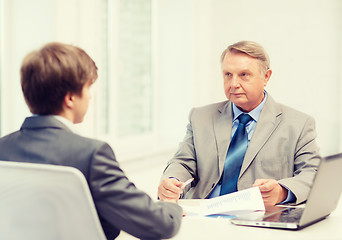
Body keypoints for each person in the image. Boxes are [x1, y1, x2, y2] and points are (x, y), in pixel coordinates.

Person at [0, 42, 182, 240]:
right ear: (70, 98)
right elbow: (160, 225)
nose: (90, 96)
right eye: (88, 88)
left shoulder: (3, 148)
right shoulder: (92, 154)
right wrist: (171, 205)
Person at [158, 40, 320, 207]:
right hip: (203, 214)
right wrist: (172, 181)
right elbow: (183, 162)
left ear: (266, 77)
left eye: (244, 75)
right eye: (228, 74)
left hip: (259, 220)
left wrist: (282, 191)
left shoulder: (299, 124)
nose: (234, 84)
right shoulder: (200, 117)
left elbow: (313, 173)